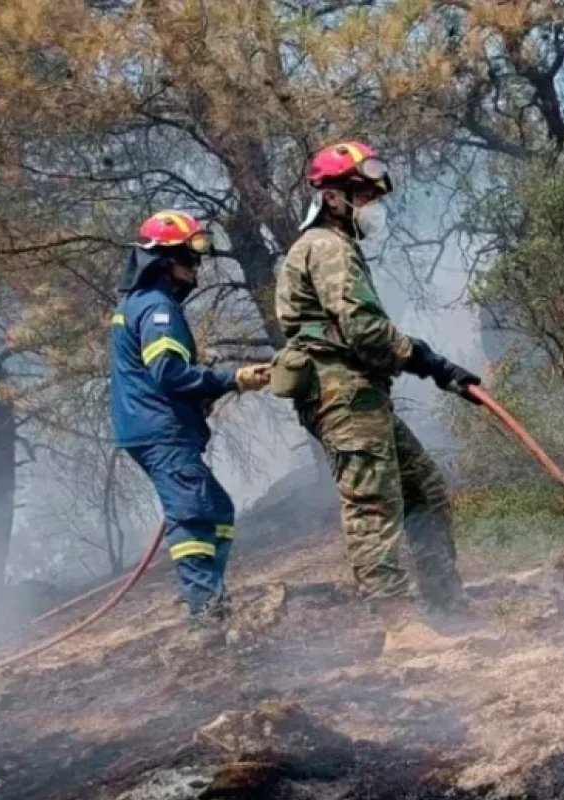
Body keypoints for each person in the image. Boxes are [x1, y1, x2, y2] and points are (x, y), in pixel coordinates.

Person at [269, 140, 480, 654]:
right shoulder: (326, 247)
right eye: (364, 195)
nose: (373, 207)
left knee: (423, 489)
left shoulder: (335, 248)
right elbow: (363, 329)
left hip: (361, 391)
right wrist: (428, 361)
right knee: (373, 503)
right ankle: (399, 627)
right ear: (335, 198)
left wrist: (428, 363)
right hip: (342, 394)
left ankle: (445, 606)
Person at [110, 210, 269, 644]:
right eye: (189, 259)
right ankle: (207, 619)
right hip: (162, 432)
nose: (196, 269)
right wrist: (230, 378)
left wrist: (208, 389)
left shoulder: (135, 305)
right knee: (197, 517)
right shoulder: (159, 308)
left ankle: (211, 605)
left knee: (215, 510)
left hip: (151, 428)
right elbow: (168, 373)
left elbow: (158, 377)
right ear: (165, 262)